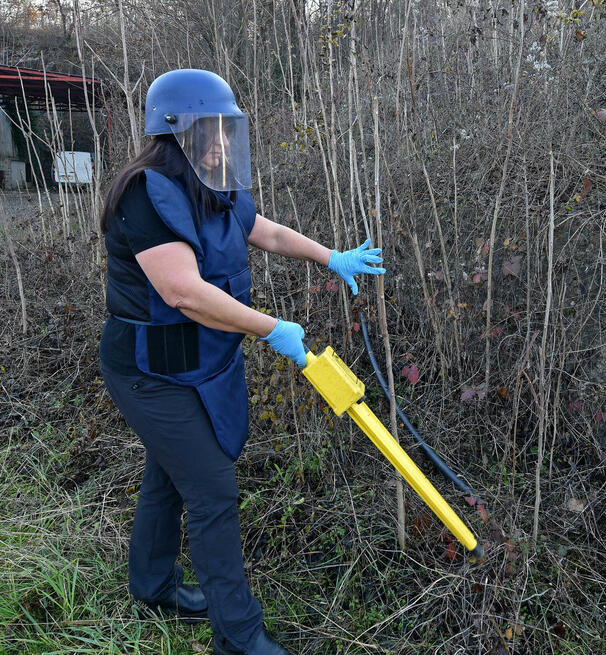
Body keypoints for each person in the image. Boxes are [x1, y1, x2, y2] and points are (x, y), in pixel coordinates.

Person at [98, 69, 385, 655]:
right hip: (148, 372)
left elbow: (266, 232)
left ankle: (152, 587)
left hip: (199, 362)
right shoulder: (145, 194)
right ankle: (239, 635)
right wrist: (271, 327)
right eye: (214, 129)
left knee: (172, 475)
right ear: (177, 130)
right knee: (212, 491)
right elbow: (184, 293)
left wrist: (331, 257)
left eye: (229, 129)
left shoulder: (214, 182)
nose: (224, 141)